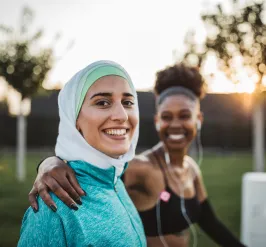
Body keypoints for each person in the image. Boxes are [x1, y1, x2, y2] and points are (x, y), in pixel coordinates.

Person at [28, 64, 246, 247]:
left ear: (199, 119)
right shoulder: (141, 168)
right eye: (167, 116)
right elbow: (96, 174)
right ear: (157, 120)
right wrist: (48, 163)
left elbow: (210, 223)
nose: (176, 125)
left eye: (185, 116)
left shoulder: (191, 169)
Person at [18, 60, 146, 247]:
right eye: (103, 102)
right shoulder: (54, 206)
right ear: (74, 119)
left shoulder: (116, 183)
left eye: (127, 102)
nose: (122, 116)